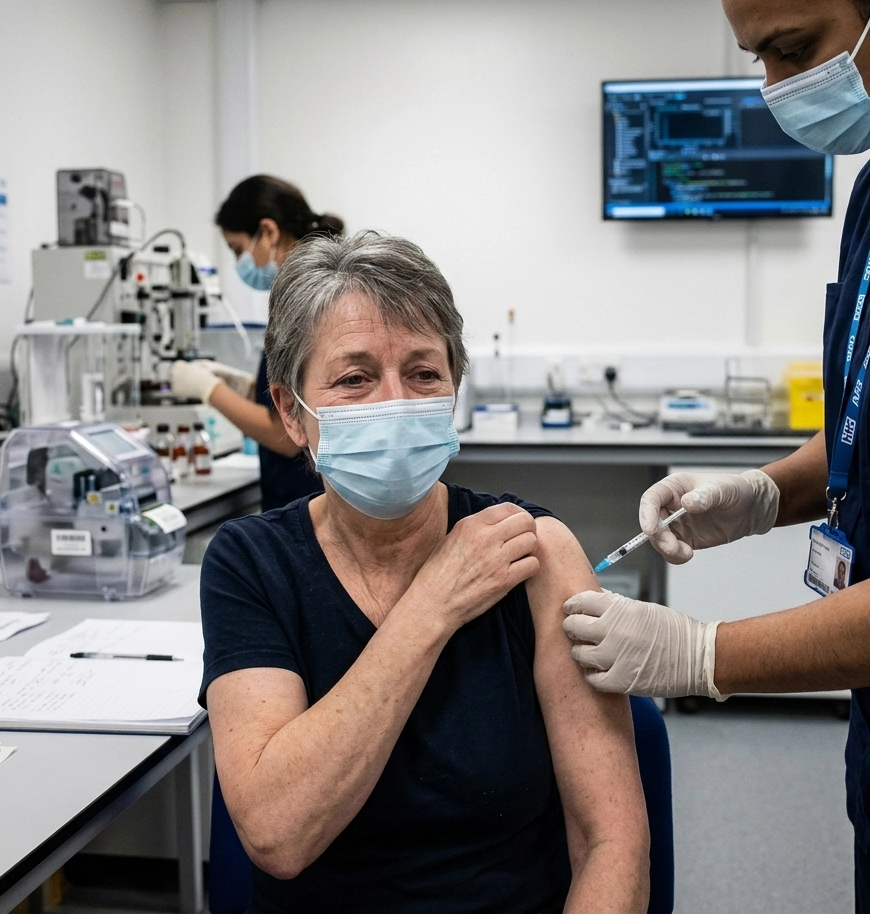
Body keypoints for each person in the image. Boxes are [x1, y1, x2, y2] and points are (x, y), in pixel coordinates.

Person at [563, 0, 870, 911]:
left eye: (793, 50)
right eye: (757, 58)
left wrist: (702, 653)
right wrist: (762, 493)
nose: (774, 90)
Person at [200, 231, 650, 913]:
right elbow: (277, 834)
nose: (396, 402)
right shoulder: (250, 565)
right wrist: (432, 604)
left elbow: (610, 841)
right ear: (292, 413)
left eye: (423, 374)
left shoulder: (533, 553)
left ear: (453, 390)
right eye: (355, 379)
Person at [170, 175, 345, 511]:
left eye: (238, 250)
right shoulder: (305, 291)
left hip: (307, 497)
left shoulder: (305, 299)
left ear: (268, 232)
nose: (240, 263)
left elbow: (287, 435)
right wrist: (242, 386)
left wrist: (211, 391)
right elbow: (295, 394)